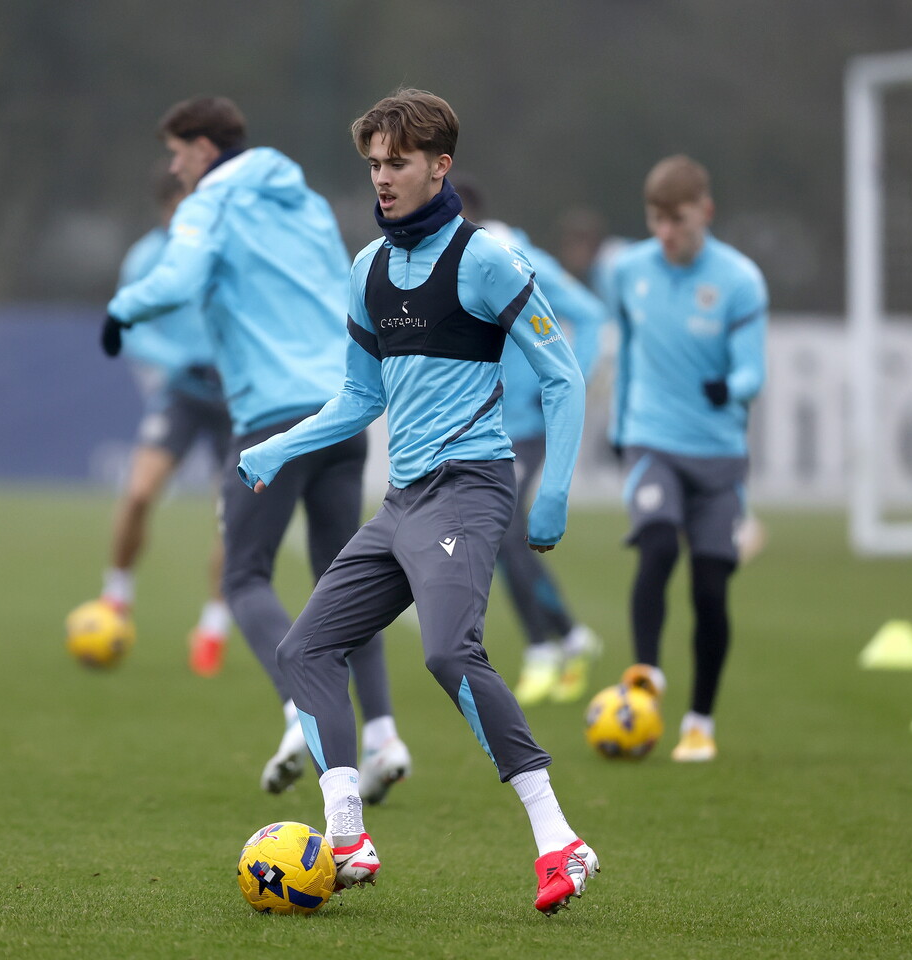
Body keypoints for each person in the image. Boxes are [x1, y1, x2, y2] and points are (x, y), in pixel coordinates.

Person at [238, 89, 599, 915]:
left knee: (447, 652)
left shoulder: (488, 261)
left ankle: (560, 842)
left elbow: (562, 375)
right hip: (403, 503)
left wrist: (554, 495)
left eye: (397, 162)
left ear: (440, 165)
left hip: (469, 491)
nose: (383, 177)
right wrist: (278, 446)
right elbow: (358, 399)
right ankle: (347, 835)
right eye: (373, 163)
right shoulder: (366, 269)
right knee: (304, 651)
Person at [104, 96, 411, 803]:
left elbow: (176, 281)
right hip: (341, 409)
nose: (174, 167)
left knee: (244, 577)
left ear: (206, 150)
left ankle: (300, 710)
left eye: (179, 152)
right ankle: (384, 736)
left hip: (272, 419)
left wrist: (121, 313)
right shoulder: (301, 199)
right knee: (346, 584)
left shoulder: (208, 203)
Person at [606, 154, 768, 762]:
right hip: (653, 440)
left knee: (710, 590)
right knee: (655, 542)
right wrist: (620, 427)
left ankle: (699, 719)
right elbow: (625, 354)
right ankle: (644, 676)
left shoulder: (739, 280)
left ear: (706, 211)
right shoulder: (629, 271)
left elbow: (755, 365)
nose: (665, 233)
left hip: (720, 456)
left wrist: (735, 385)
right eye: (655, 220)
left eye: (677, 220)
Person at [452, 177, 606, 705]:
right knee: (495, 536)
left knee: (502, 533)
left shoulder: (516, 256)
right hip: (484, 426)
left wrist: (562, 382)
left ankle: (543, 647)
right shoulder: (446, 262)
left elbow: (589, 313)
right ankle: (570, 636)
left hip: (525, 426)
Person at [85, 169, 234, 676]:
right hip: (183, 394)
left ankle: (213, 627)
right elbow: (127, 326)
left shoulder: (226, 253)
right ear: (167, 208)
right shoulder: (149, 257)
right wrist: (179, 361)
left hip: (238, 400)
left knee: (231, 517)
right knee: (140, 491)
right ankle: (117, 594)